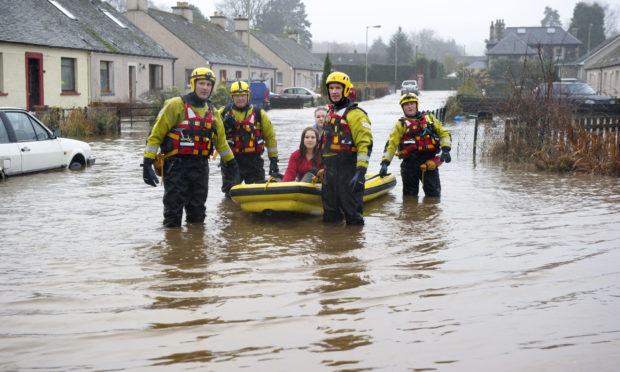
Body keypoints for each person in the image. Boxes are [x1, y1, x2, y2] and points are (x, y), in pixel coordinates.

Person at [142, 67, 239, 227]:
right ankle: (174, 247)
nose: (205, 88)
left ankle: (195, 248)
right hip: (176, 166)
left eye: (208, 84)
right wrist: (147, 164)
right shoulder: (175, 105)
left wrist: (233, 165)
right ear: (193, 84)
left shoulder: (213, 112)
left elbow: (222, 145)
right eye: (201, 83)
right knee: (173, 215)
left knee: (198, 215)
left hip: (200, 168)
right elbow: (156, 135)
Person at [320, 71, 373, 225]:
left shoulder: (356, 114)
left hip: (349, 172)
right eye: (331, 88)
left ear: (345, 90)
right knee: (329, 218)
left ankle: (354, 247)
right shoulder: (329, 113)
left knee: (354, 219)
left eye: (338, 88)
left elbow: (365, 144)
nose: (334, 92)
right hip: (330, 174)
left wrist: (360, 172)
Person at [379, 92, 452, 197]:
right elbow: (391, 144)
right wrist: (385, 163)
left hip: (429, 163)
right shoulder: (401, 125)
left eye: (412, 103)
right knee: (409, 200)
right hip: (409, 165)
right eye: (406, 105)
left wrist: (446, 150)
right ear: (403, 108)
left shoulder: (429, 119)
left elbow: (443, 132)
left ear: (416, 105)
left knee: (434, 198)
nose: (409, 107)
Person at [219, 80, 279, 196]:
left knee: (258, 195)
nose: (240, 98)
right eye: (237, 96)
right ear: (232, 97)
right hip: (231, 162)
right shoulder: (223, 113)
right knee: (230, 196)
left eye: (243, 95)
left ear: (248, 96)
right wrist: (223, 126)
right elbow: (212, 134)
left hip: (254, 162)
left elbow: (270, 138)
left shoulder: (259, 114)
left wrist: (274, 161)